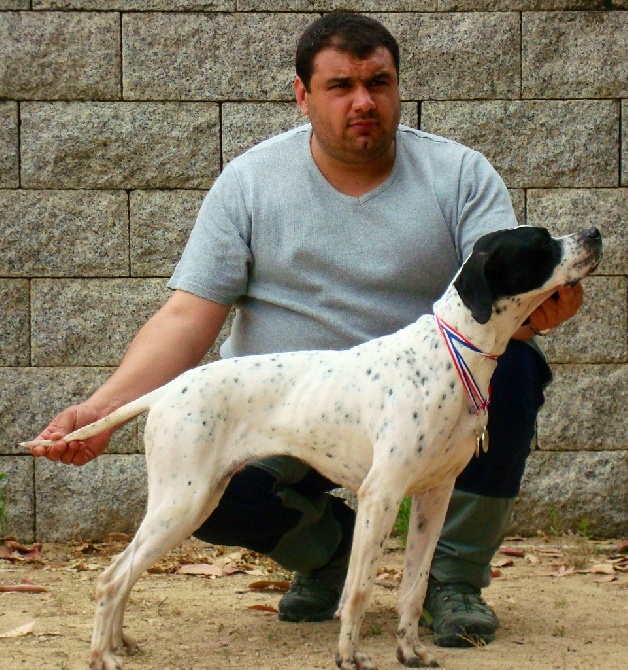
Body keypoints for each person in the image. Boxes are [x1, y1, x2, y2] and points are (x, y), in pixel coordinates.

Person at [29, 12, 584, 649]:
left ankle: (452, 580)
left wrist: (547, 306)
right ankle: (330, 558)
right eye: (341, 85)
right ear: (302, 94)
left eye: (379, 82)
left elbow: (506, 294)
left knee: (512, 370)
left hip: (417, 409)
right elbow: (186, 318)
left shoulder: (459, 175)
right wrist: (104, 412)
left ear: (399, 86)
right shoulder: (248, 182)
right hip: (288, 415)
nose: (364, 101)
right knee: (206, 484)